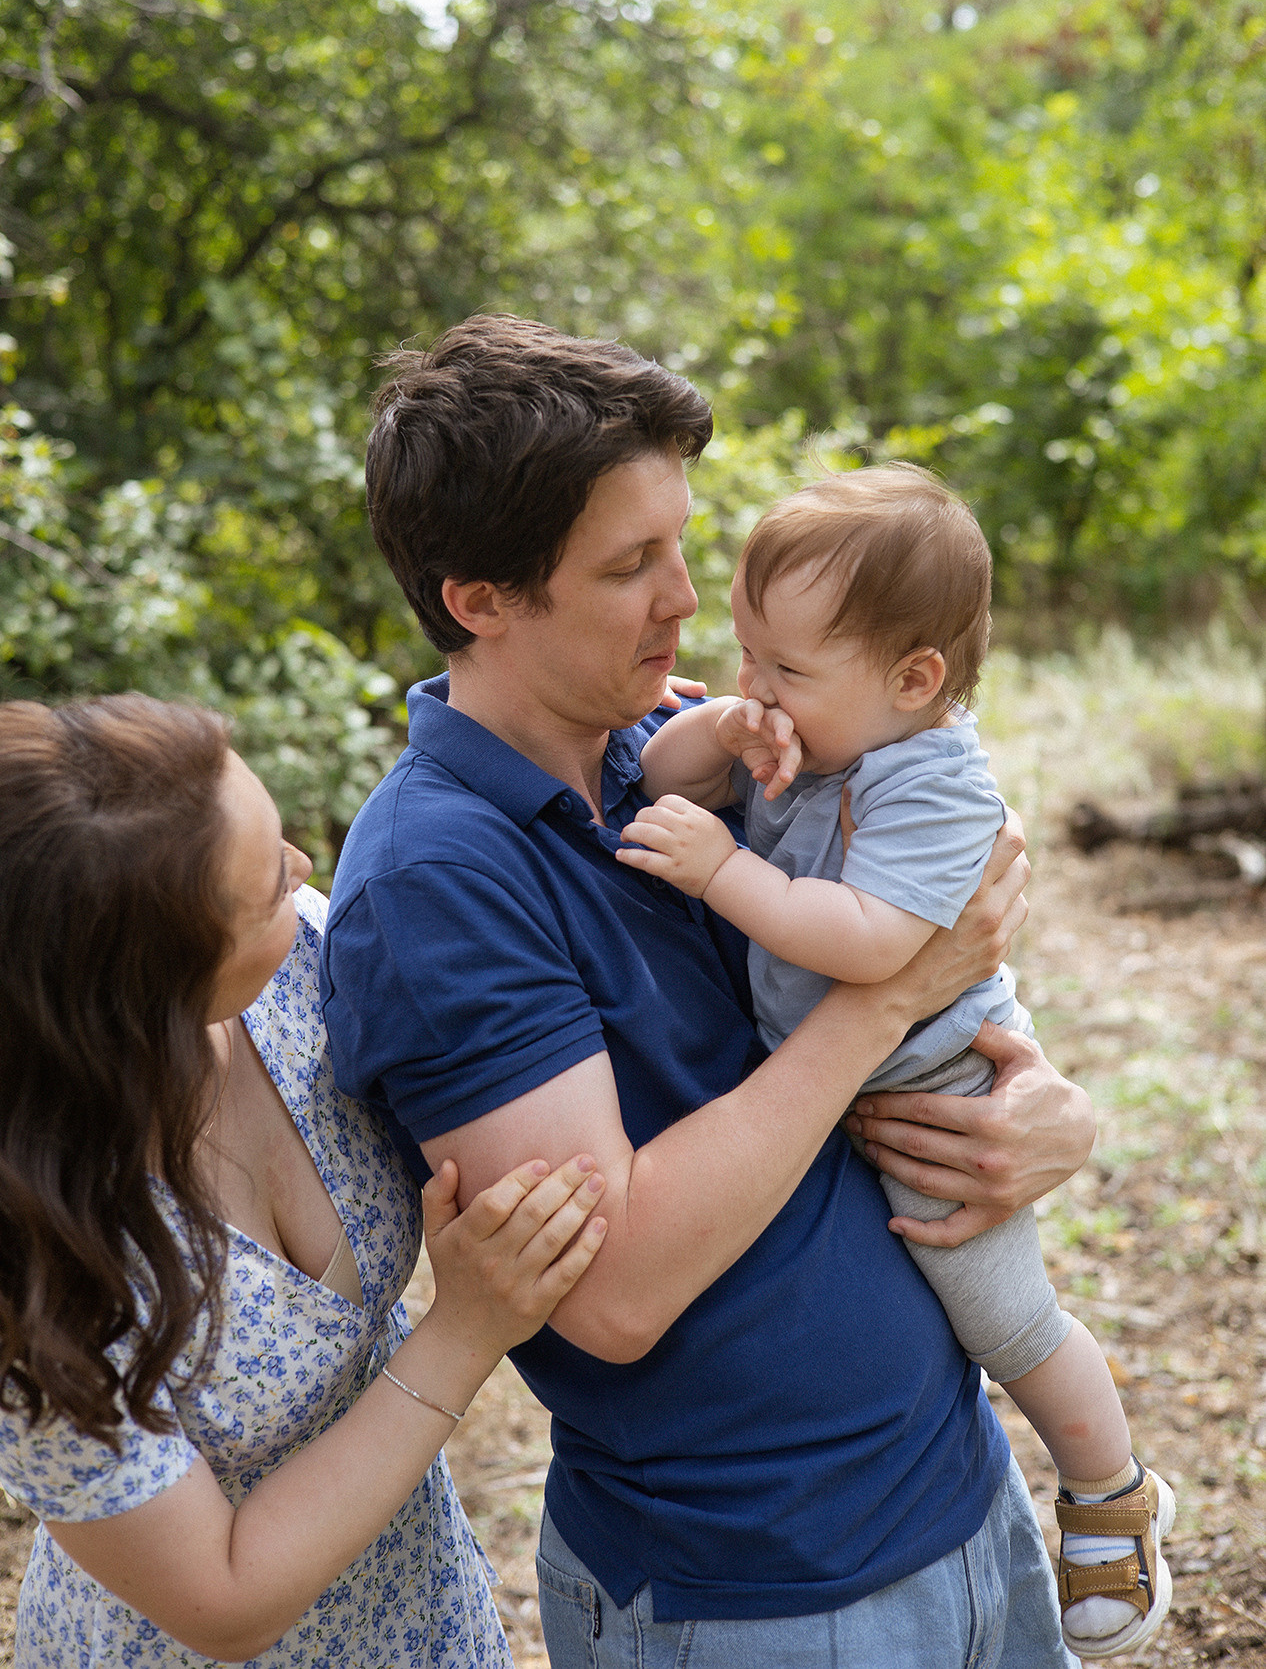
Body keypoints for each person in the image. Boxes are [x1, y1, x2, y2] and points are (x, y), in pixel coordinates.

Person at [321, 314, 1095, 1669]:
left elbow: (940, 898)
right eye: (629, 565)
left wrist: (1040, 1109)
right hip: (757, 1590)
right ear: (480, 598)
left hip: (958, 1494)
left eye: (680, 542)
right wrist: (886, 1001)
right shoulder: (435, 880)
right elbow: (612, 1287)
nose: (684, 598)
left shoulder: (667, 738)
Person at [618, 463, 1174, 1661]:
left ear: (914, 679)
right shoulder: (814, 731)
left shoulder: (933, 780)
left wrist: (725, 870)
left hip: (936, 1086)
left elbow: (873, 944)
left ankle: (1110, 1487)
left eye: (785, 669)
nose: (759, 686)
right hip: (841, 1079)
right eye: (746, 653)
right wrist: (721, 727)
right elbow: (657, 777)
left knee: (1000, 1314)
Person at [0, 692, 608, 1669]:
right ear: (145, 991)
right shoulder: (36, 1254)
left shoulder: (306, 966)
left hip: (420, 1612)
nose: (303, 869)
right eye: (266, 892)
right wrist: (464, 1331)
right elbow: (224, 1602)